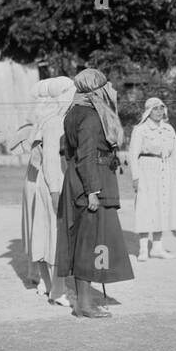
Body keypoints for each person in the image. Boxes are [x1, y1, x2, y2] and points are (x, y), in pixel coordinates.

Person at [55, 68, 134, 318]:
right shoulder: (89, 116)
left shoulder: (74, 111)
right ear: (95, 89)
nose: (110, 89)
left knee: (88, 241)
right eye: (106, 85)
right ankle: (84, 304)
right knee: (89, 242)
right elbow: (86, 155)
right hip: (91, 182)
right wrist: (92, 191)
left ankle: (85, 301)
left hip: (84, 179)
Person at [21, 76, 75, 306]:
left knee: (44, 232)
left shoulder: (49, 120)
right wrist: (55, 191)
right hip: (54, 182)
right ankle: (58, 290)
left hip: (44, 180)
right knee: (55, 235)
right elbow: (52, 161)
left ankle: (46, 283)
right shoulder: (56, 123)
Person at [128, 96, 176, 261]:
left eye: (161, 108)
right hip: (146, 169)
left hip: (165, 171)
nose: (159, 112)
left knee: (162, 206)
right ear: (148, 111)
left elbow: (175, 154)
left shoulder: (169, 129)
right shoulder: (140, 130)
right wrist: (136, 177)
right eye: (155, 109)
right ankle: (144, 249)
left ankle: (157, 248)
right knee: (146, 207)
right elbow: (132, 155)